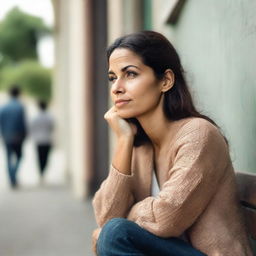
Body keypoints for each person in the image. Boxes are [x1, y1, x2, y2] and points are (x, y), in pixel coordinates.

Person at [92, 31, 253, 256]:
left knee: (116, 232)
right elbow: (106, 217)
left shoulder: (198, 135)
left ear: (166, 81)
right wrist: (124, 141)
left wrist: (127, 215)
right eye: (112, 77)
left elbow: (166, 217)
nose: (117, 87)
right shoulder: (140, 147)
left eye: (130, 74)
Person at [0, 86, 27, 188]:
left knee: (8, 158)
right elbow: (22, 123)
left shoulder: (4, 107)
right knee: (19, 157)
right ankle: (13, 175)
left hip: (6, 136)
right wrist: (24, 135)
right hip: (18, 136)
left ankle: (12, 177)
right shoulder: (20, 107)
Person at [30, 100, 54, 182]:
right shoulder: (49, 117)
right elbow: (52, 127)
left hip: (38, 141)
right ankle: (43, 172)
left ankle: (41, 172)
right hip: (47, 139)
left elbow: (31, 128)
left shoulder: (35, 117)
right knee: (46, 157)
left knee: (39, 157)